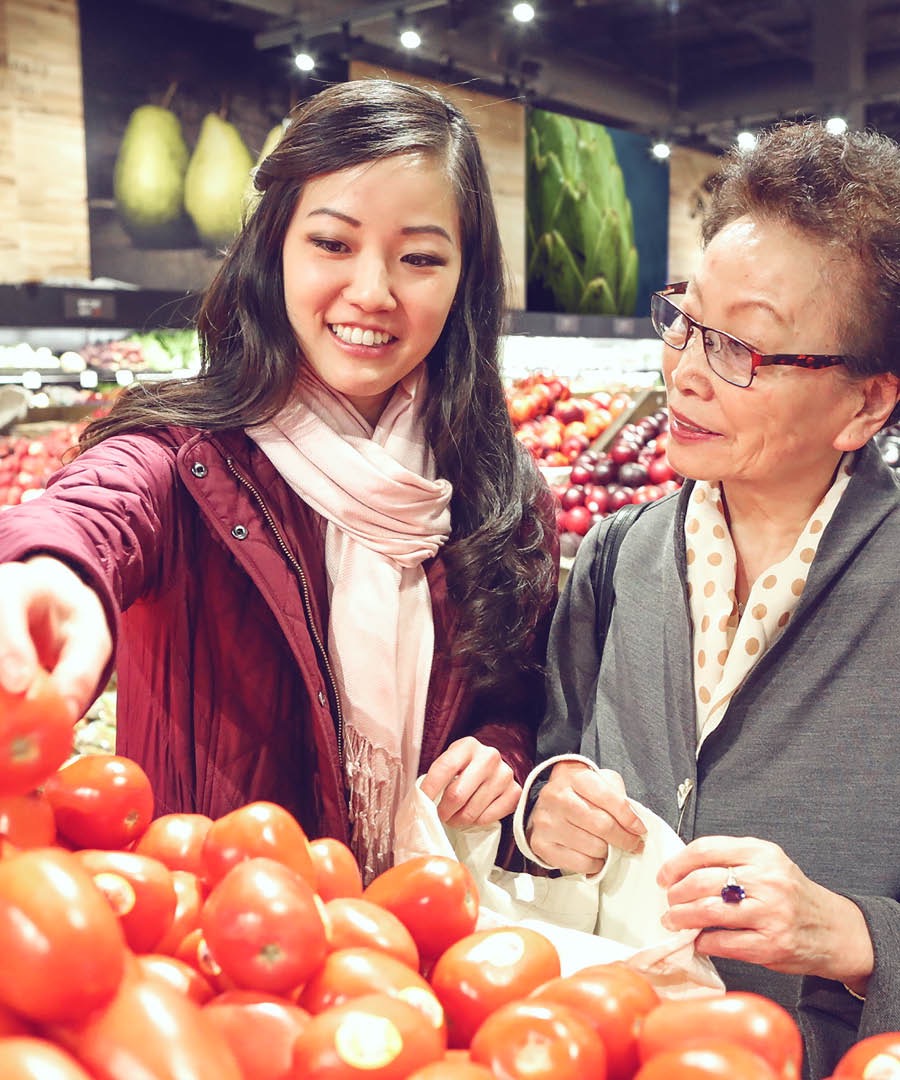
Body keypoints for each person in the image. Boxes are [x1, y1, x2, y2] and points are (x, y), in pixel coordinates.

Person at [0, 79, 558, 882]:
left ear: (465, 280)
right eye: (332, 243)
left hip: (418, 950)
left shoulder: (502, 497)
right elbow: (98, 508)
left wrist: (501, 756)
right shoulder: (183, 458)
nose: (372, 291)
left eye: (421, 257)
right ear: (276, 250)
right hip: (219, 949)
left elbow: (513, 702)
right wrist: (50, 569)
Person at [520, 121, 900, 1076]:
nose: (685, 371)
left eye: (745, 350)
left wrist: (858, 937)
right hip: (607, 1047)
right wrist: (542, 806)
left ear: (864, 404)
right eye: (686, 320)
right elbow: (553, 747)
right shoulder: (618, 558)